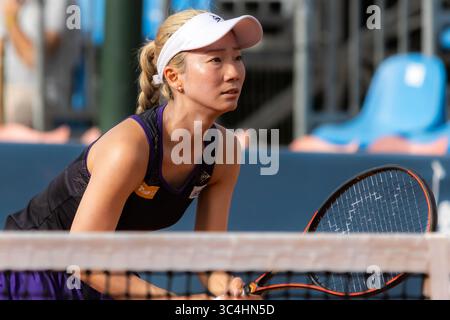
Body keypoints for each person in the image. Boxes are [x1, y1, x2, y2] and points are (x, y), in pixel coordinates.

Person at [0, 9, 263, 300]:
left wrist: (226, 287)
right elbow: (84, 261)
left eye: (237, 57)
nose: (233, 72)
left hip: (102, 275)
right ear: (175, 77)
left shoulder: (224, 153)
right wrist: (179, 302)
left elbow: (208, 259)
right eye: (216, 60)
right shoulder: (129, 148)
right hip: (29, 273)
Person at [0, 0, 80, 127]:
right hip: (11, 95)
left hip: (45, 99)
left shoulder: (62, 2)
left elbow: (33, 58)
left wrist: (11, 20)